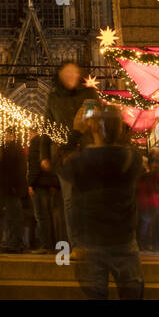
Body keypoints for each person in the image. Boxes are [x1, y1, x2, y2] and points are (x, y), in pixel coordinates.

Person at [60, 106, 145, 299]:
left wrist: (76, 132)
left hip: (91, 241)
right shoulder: (133, 158)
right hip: (124, 240)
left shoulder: (80, 161)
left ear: (94, 128)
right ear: (121, 129)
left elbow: (61, 164)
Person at [45, 61, 101, 248]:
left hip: (87, 153)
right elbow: (47, 127)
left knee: (88, 198)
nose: (69, 75)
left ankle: (91, 241)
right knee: (69, 201)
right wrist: (44, 156)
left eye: (73, 72)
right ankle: (76, 244)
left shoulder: (89, 94)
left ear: (79, 75)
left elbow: (97, 121)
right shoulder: (52, 97)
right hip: (64, 155)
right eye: (65, 73)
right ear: (59, 76)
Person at [27, 130, 64, 252]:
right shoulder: (45, 143)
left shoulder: (34, 144)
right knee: (47, 215)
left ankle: (45, 244)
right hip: (48, 184)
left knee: (41, 215)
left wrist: (31, 184)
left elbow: (33, 166)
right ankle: (51, 243)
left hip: (39, 184)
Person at [0, 128, 28, 253]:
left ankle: (14, 243)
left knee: (13, 217)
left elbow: (9, 169)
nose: (6, 136)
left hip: (11, 188)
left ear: (12, 135)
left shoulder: (11, 149)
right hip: (12, 188)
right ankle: (14, 242)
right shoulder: (15, 148)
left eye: (7, 134)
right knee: (13, 217)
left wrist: (11, 186)